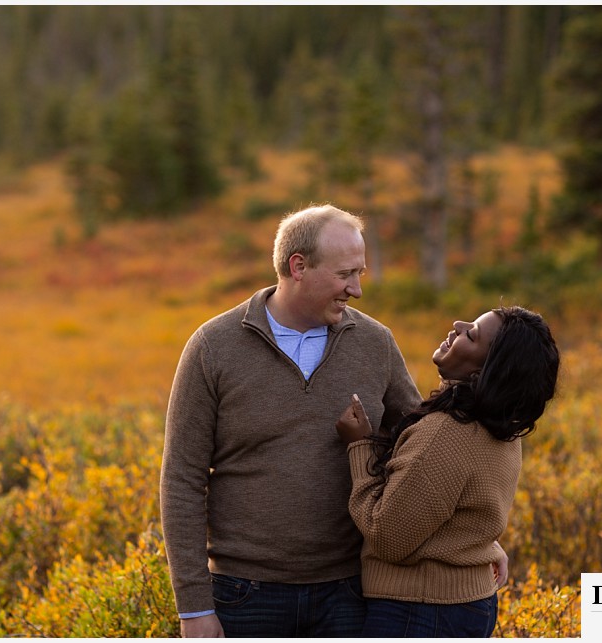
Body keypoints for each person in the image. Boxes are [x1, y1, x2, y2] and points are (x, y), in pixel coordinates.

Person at [160, 204, 426, 637]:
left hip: (352, 592)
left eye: (360, 273)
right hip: (244, 596)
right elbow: (182, 479)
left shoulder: (376, 343)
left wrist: (476, 540)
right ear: (298, 266)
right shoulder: (213, 346)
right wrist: (193, 608)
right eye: (345, 275)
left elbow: (424, 449)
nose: (357, 290)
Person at [335, 305, 560, 637]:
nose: (457, 325)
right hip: (461, 605)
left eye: (471, 334)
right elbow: (461, 515)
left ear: (480, 373)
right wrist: (487, 546)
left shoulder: (446, 433)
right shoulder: (499, 428)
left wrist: (359, 446)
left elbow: (388, 536)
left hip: (421, 610)